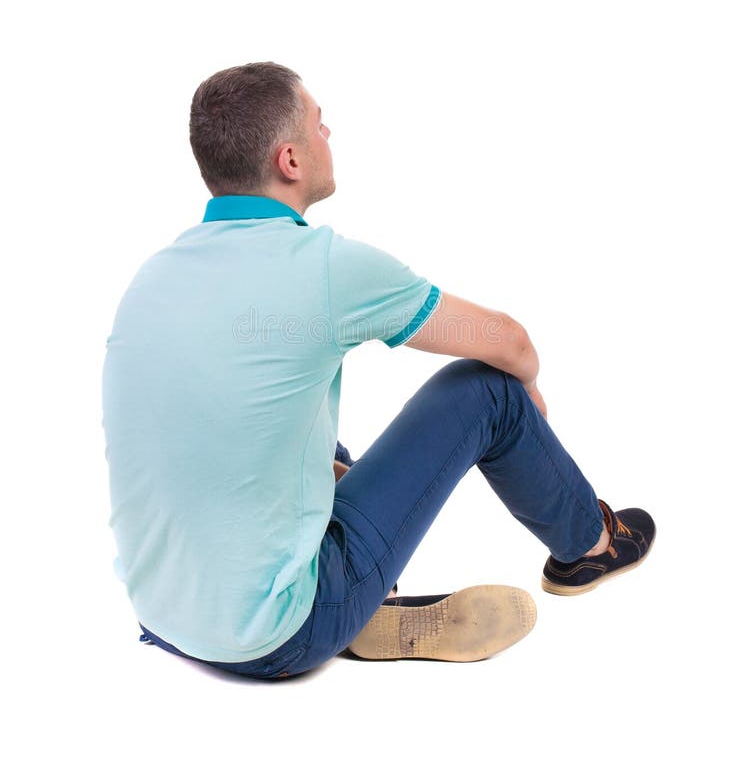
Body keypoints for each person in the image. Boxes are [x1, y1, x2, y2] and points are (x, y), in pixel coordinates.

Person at [101, 61, 655, 681]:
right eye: (319, 123)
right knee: (486, 390)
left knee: (272, 413)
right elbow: (507, 340)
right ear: (290, 159)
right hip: (280, 636)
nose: (328, 133)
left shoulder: (152, 277)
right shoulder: (326, 268)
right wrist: (524, 389)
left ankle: (359, 592)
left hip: (162, 616)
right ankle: (589, 547)